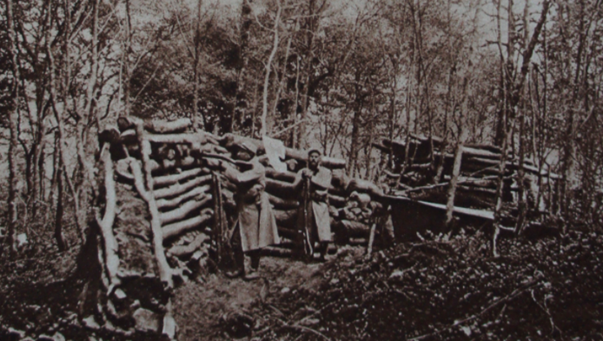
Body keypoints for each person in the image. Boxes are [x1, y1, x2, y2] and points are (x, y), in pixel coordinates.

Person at [221, 142, 280, 280]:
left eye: (241, 151)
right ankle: (240, 267)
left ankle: (254, 268)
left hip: (254, 207)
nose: (238, 154)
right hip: (243, 207)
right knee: (236, 239)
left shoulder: (258, 168)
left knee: (254, 240)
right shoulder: (243, 165)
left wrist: (224, 168)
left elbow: (240, 179)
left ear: (249, 153)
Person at [292, 149, 332, 261]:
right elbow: (293, 187)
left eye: (316, 156)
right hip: (306, 203)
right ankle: (309, 253)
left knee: (323, 230)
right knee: (307, 230)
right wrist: (302, 179)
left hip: (320, 204)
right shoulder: (302, 171)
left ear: (320, 159)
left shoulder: (325, 172)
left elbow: (325, 185)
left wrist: (311, 178)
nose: (313, 159)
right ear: (308, 159)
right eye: (311, 156)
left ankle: (324, 254)